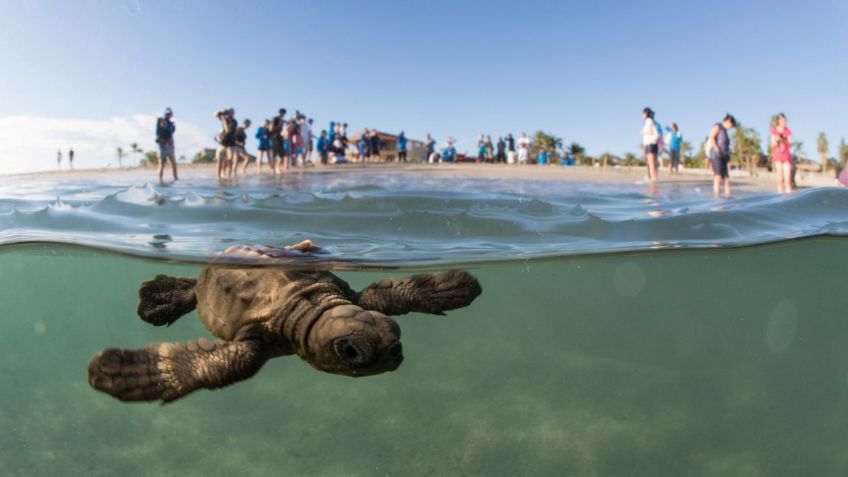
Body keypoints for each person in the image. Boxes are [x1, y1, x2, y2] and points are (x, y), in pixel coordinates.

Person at [707, 113, 737, 198]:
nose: (731, 127)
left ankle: (728, 197)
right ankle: (717, 197)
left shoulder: (725, 131)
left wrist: (729, 151)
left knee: (726, 178)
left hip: (724, 156)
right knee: (718, 176)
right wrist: (717, 149)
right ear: (728, 121)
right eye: (732, 124)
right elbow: (711, 137)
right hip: (717, 155)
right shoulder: (718, 126)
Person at [770, 113, 793, 194]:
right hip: (778, 155)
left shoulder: (788, 131)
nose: (784, 122)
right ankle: (779, 197)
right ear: (778, 121)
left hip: (786, 155)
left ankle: (788, 197)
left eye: (785, 121)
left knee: (787, 179)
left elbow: (790, 144)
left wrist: (784, 140)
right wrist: (777, 140)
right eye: (782, 121)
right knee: (780, 178)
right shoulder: (774, 130)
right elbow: (772, 144)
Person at [156, 107, 178, 182]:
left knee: (173, 163)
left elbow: (172, 131)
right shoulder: (160, 121)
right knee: (161, 164)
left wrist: (169, 125)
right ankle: (160, 180)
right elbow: (158, 132)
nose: (168, 115)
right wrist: (161, 123)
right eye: (167, 114)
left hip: (170, 147)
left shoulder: (172, 124)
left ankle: (175, 179)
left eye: (170, 114)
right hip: (162, 147)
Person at [214, 108, 237, 179]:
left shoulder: (234, 122)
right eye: (228, 112)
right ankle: (218, 176)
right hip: (222, 142)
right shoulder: (225, 119)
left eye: (231, 112)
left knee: (229, 160)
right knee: (219, 160)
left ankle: (229, 175)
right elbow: (215, 115)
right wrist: (220, 112)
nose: (229, 114)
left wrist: (224, 121)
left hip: (230, 143)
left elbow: (227, 131)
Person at [641, 107, 660, 182]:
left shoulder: (648, 120)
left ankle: (652, 179)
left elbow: (650, 131)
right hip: (654, 143)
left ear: (646, 113)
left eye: (643, 113)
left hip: (650, 143)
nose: (642, 115)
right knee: (653, 163)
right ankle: (655, 178)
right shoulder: (653, 121)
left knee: (651, 163)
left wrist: (642, 132)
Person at [270, 109, 287, 174]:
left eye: (283, 114)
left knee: (282, 154)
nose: (282, 115)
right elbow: (271, 129)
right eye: (281, 113)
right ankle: (274, 168)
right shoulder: (274, 119)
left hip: (280, 138)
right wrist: (280, 124)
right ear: (278, 113)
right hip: (274, 137)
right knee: (274, 154)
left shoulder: (282, 120)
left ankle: (278, 167)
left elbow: (284, 129)